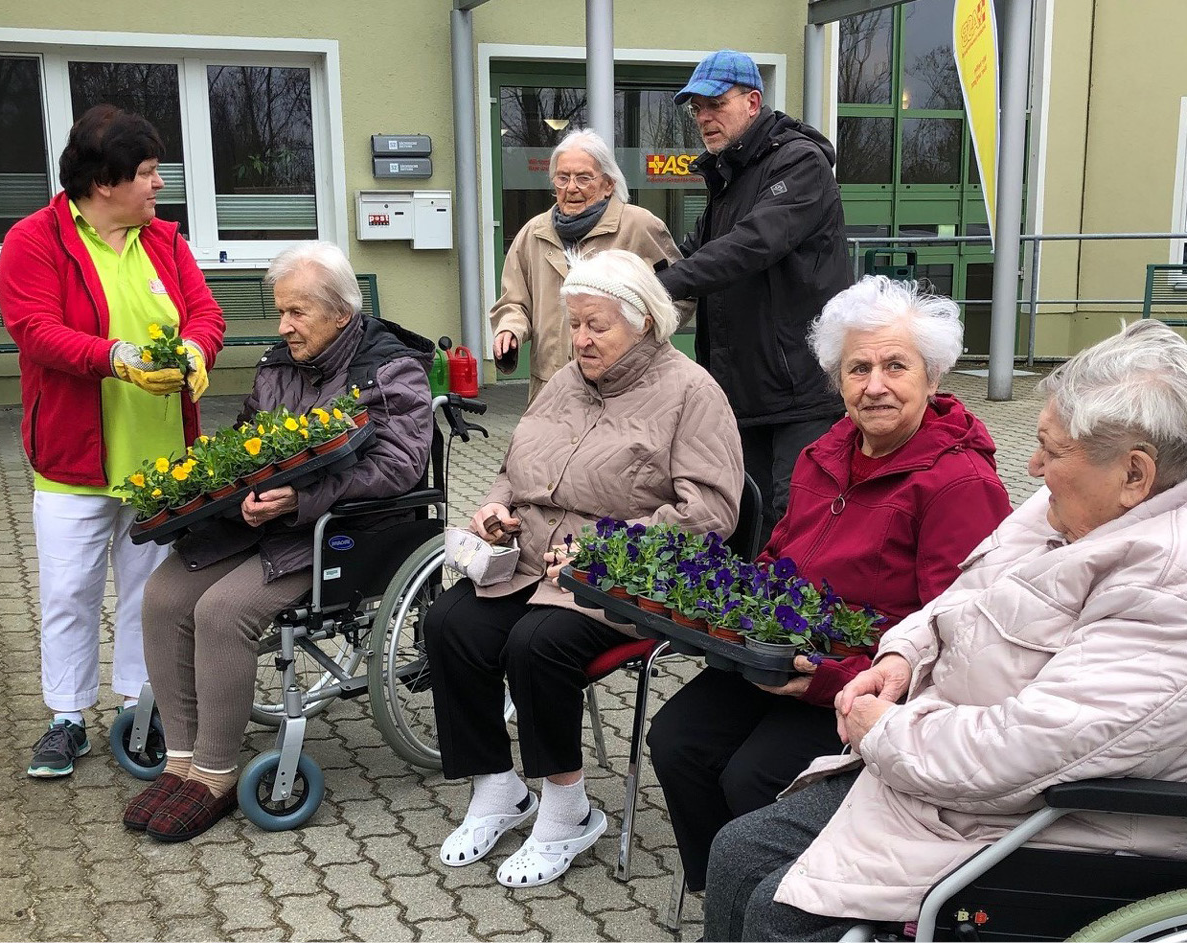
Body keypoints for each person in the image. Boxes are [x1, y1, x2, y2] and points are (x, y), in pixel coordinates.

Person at [702, 320, 1187, 942]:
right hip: (975, 775)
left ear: (1135, 474)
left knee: (781, 912)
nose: (1033, 462)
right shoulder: (1100, 506)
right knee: (742, 851)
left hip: (1074, 827)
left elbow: (1029, 751)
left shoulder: (1177, 594)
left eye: (1054, 450)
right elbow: (970, 590)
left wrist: (886, 731)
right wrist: (904, 656)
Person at [647, 275, 1011, 895]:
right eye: (857, 368)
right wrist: (728, 614)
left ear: (933, 376)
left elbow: (957, 634)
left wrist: (836, 679)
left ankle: (792, 908)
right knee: (677, 740)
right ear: (836, 380)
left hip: (862, 680)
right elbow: (779, 553)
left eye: (896, 366)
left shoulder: (958, 483)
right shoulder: (826, 451)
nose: (874, 386)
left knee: (753, 779)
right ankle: (724, 898)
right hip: (777, 654)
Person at [425, 249, 743, 888]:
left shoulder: (691, 391)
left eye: (596, 325)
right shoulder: (567, 381)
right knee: (449, 623)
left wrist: (603, 551)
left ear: (644, 323)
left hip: (628, 576)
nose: (581, 340)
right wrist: (494, 507)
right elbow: (516, 468)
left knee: (536, 644)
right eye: (574, 325)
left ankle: (567, 809)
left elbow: (711, 512)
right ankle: (498, 788)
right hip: (533, 560)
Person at [123, 241, 433, 841]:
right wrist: (236, 489)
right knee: (163, 596)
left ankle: (214, 772)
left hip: (339, 530)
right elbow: (246, 439)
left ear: (341, 313)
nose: (283, 326)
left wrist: (303, 498)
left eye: (297, 313)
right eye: (280, 311)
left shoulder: (392, 370)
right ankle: (182, 761)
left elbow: (398, 468)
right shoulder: (277, 364)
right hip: (259, 521)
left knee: (223, 610)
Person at [0, 104, 225, 779]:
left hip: (158, 460)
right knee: (69, 591)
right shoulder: (34, 240)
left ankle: (142, 710)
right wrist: (117, 357)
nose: (159, 185)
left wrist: (193, 349)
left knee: (149, 593)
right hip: (73, 461)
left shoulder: (164, 242)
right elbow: (34, 328)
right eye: (148, 173)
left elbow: (205, 312)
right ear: (104, 181)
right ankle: (66, 717)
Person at [656, 49, 852, 537]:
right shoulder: (728, 176)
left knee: (793, 528)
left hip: (800, 393)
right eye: (696, 108)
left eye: (715, 104)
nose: (703, 117)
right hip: (739, 393)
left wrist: (661, 284)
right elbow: (692, 257)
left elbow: (752, 245)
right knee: (744, 524)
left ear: (752, 102)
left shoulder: (799, 162)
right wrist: (629, 286)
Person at [491, 128, 691, 402]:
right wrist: (509, 328)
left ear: (608, 184)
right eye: (562, 178)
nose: (571, 188)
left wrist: (640, 336)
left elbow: (680, 295)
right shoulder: (533, 233)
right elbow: (514, 301)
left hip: (624, 386)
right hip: (552, 387)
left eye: (583, 178)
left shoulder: (640, 227)